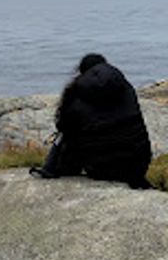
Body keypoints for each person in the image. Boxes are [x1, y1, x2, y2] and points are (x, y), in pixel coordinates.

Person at [31, 53, 152, 189]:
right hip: (138, 165)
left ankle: (51, 170)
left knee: (68, 135)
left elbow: (63, 127)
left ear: (82, 71)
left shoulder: (75, 93)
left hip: (102, 169)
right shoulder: (126, 88)